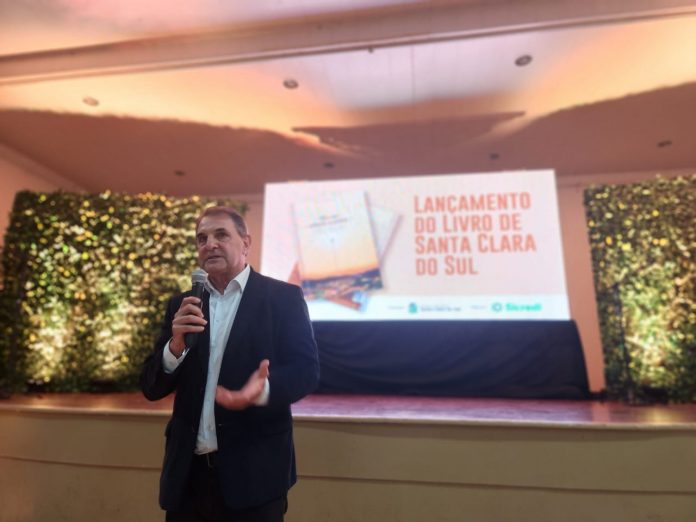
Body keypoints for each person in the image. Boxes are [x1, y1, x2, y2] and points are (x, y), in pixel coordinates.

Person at [141, 206, 319, 522]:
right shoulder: (183, 305)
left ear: (245, 243)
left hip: (255, 476)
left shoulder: (282, 298)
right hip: (188, 479)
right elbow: (152, 387)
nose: (210, 244)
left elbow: (306, 371)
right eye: (202, 238)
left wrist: (262, 389)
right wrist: (175, 347)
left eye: (221, 235)